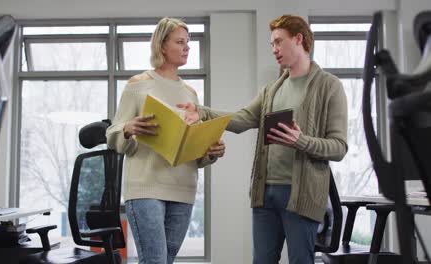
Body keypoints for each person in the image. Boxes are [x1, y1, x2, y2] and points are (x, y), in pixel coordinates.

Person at [178, 15, 348, 264]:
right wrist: (202, 111)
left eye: (278, 42)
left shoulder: (329, 86)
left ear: (299, 39)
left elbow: (339, 147)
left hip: (301, 196)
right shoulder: (271, 90)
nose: (274, 50)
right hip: (264, 193)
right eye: (271, 45)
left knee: (301, 261)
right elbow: (242, 119)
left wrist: (301, 140)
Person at [106, 17, 225, 264]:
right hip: (145, 187)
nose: (187, 47)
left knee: (165, 261)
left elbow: (192, 149)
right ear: (162, 45)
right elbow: (112, 136)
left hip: (183, 189)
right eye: (180, 42)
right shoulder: (138, 86)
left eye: (188, 42)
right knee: (155, 261)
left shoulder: (190, 93)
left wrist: (209, 151)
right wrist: (128, 128)